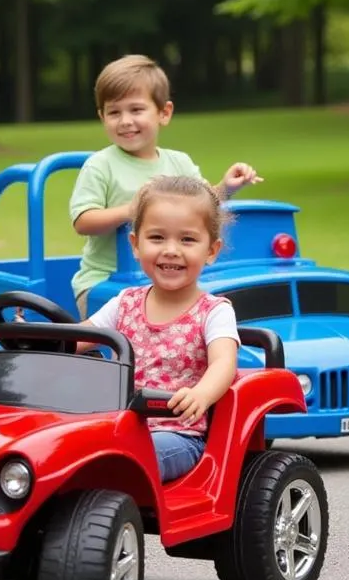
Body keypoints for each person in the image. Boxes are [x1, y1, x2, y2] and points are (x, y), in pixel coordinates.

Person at [69, 54, 262, 318]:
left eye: (136, 110)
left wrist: (226, 188)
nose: (125, 121)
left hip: (168, 274)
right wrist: (132, 209)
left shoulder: (178, 162)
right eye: (114, 112)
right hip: (107, 280)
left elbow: (204, 203)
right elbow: (83, 221)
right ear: (102, 116)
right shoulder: (100, 165)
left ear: (164, 113)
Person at [80, 175, 241, 483]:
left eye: (187, 240)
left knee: (129, 456)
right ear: (135, 245)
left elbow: (224, 361)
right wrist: (38, 337)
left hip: (178, 436)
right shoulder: (124, 303)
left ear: (212, 250)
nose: (171, 250)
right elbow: (81, 338)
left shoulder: (214, 312)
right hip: (117, 428)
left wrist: (202, 394)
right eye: (157, 238)